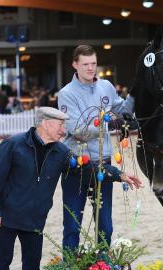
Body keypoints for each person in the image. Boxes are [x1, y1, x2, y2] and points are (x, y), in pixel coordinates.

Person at [0, 107, 141, 270]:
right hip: (7, 215)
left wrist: (119, 175)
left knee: (32, 262)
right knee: (2, 261)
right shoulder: (13, 145)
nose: (64, 130)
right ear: (45, 123)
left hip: (35, 217)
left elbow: (89, 168)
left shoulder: (61, 152)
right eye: (61, 125)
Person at [58, 44, 135, 250]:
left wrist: (136, 92)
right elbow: (77, 129)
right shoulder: (66, 94)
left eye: (93, 63)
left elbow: (123, 109)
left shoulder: (106, 87)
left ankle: (103, 269)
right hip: (76, 164)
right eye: (85, 64)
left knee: (105, 224)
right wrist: (109, 123)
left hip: (104, 162)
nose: (91, 68)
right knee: (73, 223)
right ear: (75, 65)